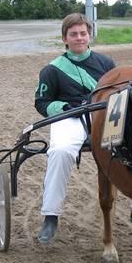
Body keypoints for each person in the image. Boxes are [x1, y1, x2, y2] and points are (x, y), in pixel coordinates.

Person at [34, 13, 116, 243]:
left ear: (89, 35)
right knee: (60, 151)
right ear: (65, 39)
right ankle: (51, 215)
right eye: (74, 34)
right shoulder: (51, 70)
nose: (79, 38)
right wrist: (62, 106)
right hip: (69, 117)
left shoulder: (107, 64)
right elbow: (41, 102)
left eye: (83, 33)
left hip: (103, 114)